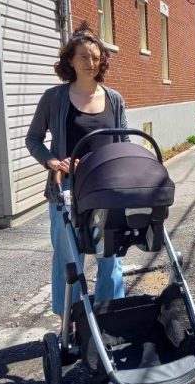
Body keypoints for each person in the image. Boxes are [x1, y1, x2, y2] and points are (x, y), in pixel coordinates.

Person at [25, 22, 127, 318]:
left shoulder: (114, 99)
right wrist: (53, 161)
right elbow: (33, 139)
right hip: (67, 189)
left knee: (111, 256)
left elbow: (124, 141)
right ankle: (69, 320)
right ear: (70, 60)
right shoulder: (54, 98)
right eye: (83, 56)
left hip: (107, 189)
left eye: (96, 57)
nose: (90, 63)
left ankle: (110, 315)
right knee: (70, 257)